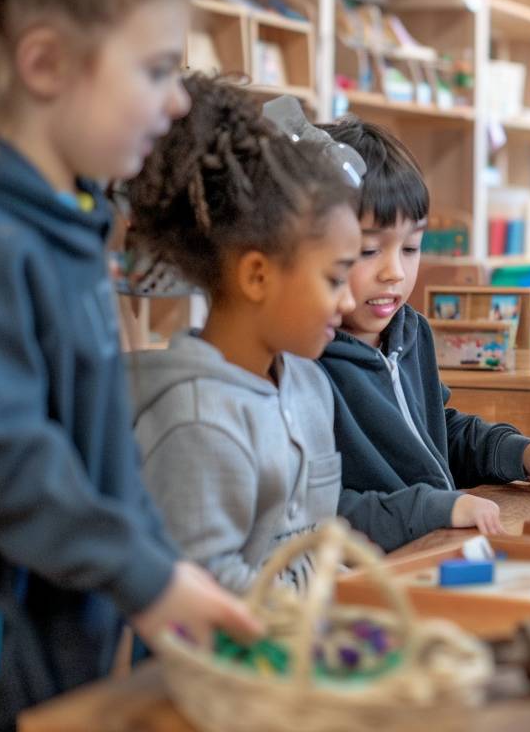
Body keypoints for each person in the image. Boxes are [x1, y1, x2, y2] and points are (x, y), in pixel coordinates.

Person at [0, 0, 256, 729]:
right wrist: (150, 578)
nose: (176, 102)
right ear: (45, 64)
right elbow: (8, 460)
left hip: (72, 653)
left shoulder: (70, 230)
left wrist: (168, 579)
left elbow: (104, 468)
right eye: (154, 70)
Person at [318, 117, 530, 551]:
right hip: (370, 566)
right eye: (369, 250)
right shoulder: (308, 356)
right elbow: (319, 507)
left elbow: (436, 431)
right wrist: (436, 507)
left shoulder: (410, 331)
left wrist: (521, 454)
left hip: (435, 543)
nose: (394, 272)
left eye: (410, 248)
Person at [125, 75, 362, 593]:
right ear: (257, 276)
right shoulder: (194, 419)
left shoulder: (310, 384)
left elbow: (317, 542)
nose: (349, 301)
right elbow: (205, 591)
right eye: (335, 278)